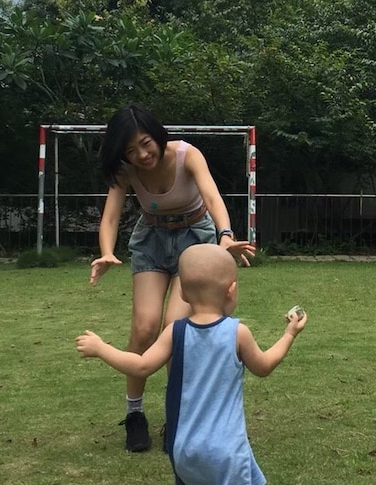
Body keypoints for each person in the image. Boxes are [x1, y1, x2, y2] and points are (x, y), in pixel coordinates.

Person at [89, 103, 255, 452]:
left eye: (146, 143)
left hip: (195, 240)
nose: (142, 154)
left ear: (157, 134)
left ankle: (177, 416)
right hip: (151, 240)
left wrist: (225, 234)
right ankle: (134, 413)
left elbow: (212, 196)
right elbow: (110, 216)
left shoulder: (186, 155)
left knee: (175, 328)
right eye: (131, 150)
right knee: (144, 328)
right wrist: (106, 251)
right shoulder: (126, 170)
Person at [77, 244, 307, 484]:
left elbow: (141, 366)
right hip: (227, 450)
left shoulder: (173, 332)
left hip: (184, 450)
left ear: (183, 295)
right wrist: (289, 334)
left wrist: (102, 349)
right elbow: (264, 366)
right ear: (231, 290)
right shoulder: (238, 333)